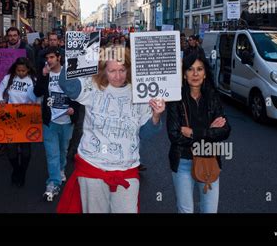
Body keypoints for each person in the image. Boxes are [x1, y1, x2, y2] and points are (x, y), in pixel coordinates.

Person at [56, 47, 166, 213]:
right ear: (103, 70)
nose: (118, 76)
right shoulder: (93, 86)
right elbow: (67, 84)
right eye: (112, 71)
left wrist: (156, 116)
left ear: (129, 69)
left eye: (122, 70)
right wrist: (77, 53)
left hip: (127, 169)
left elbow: (145, 133)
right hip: (93, 168)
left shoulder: (141, 92)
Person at [166, 53, 231, 213]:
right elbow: (175, 135)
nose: (195, 74)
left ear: (205, 73)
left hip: (209, 160)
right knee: (186, 210)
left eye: (199, 69)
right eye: (190, 69)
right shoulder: (175, 99)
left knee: (209, 210)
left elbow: (225, 130)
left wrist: (194, 133)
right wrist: (209, 132)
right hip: (183, 161)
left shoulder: (213, 97)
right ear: (184, 74)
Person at [33, 47, 80, 201]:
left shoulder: (68, 72)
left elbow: (78, 93)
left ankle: (61, 169)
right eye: (47, 57)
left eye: (52, 57)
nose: (49, 60)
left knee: (63, 149)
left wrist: (74, 108)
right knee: (52, 153)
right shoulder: (45, 73)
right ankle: (53, 182)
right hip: (50, 121)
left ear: (59, 57)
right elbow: (37, 93)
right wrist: (42, 76)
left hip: (67, 120)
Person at [0, 57, 38, 187]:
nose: (21, 73)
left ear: (28, 70)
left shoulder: (33, 80)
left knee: (25, 149)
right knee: (11, 148)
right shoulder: (9, 78)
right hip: (10, 115)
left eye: (23, 71)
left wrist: (35, 102)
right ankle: (16, 169)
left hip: (26, 116)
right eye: (18, 70)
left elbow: (38, 96)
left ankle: (22, 173)